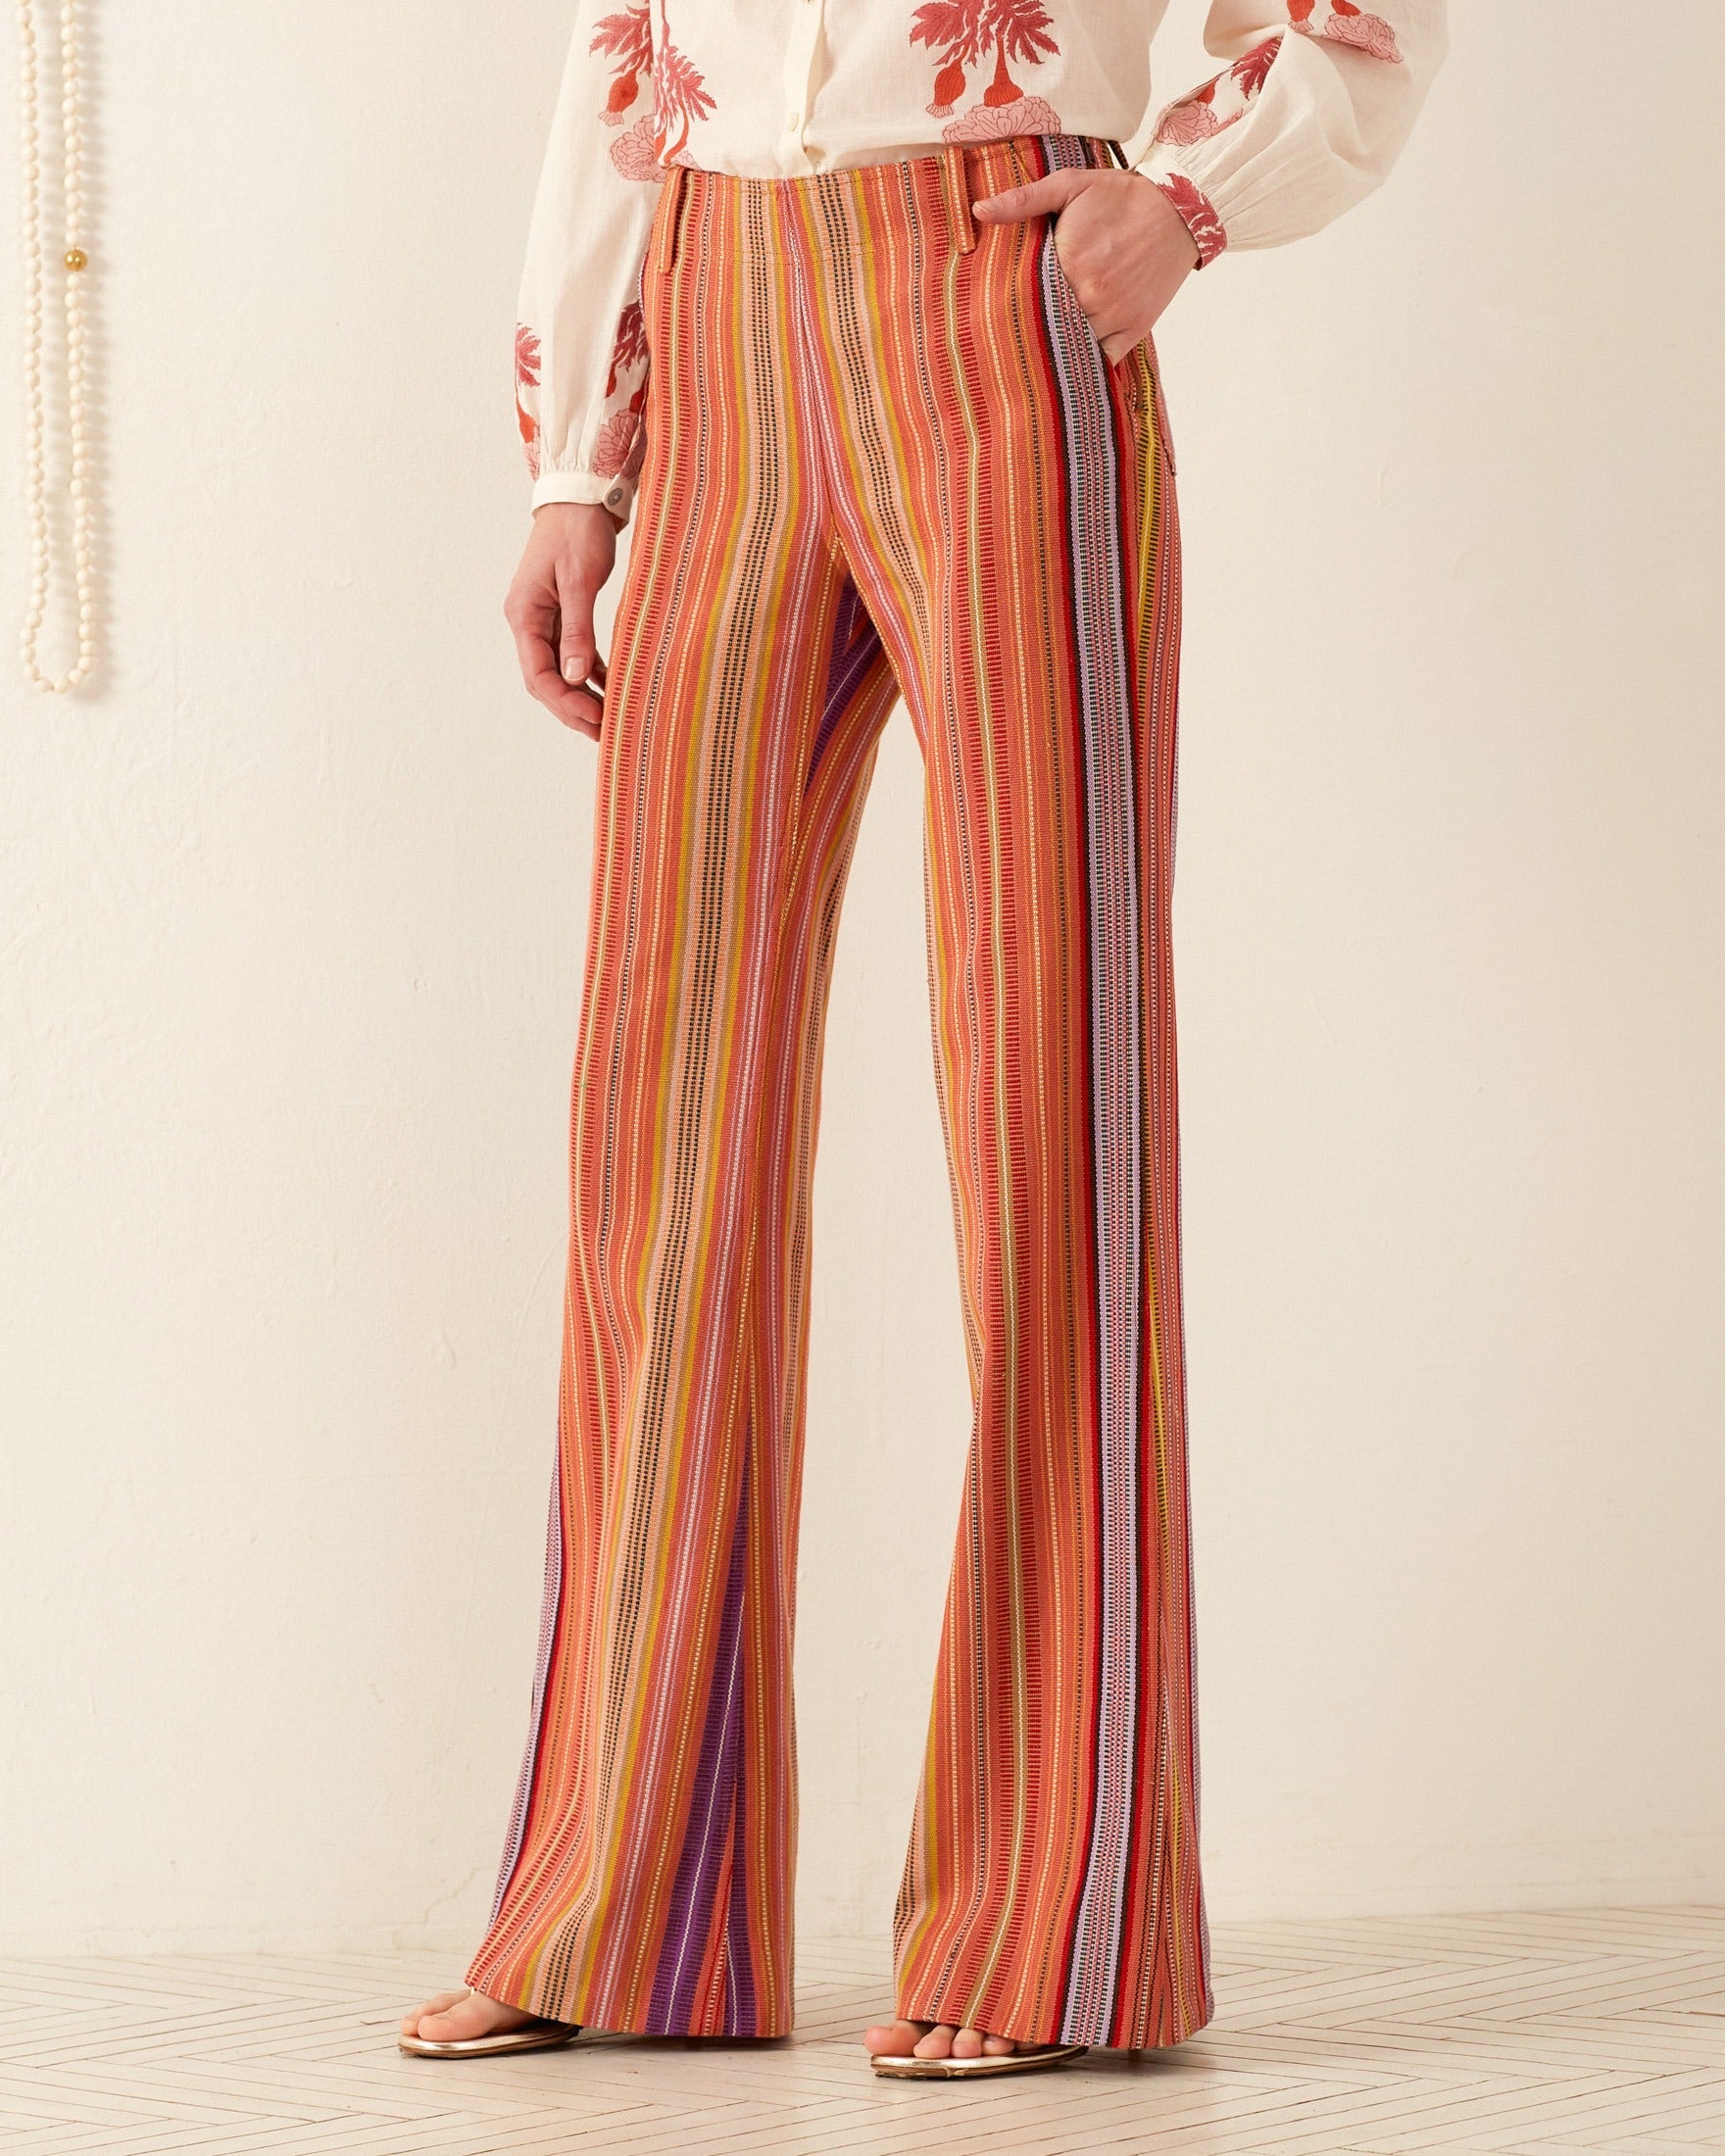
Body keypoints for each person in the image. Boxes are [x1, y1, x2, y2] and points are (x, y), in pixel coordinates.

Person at [401, 0, 1447, 2083]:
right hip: (711, 310)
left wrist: (1185, 198)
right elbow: (631, 46)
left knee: (1049, 1093)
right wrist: (572, 464)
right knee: (659, 1125)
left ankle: (1051, 1918)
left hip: (999, 296)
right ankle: (621, 1897)